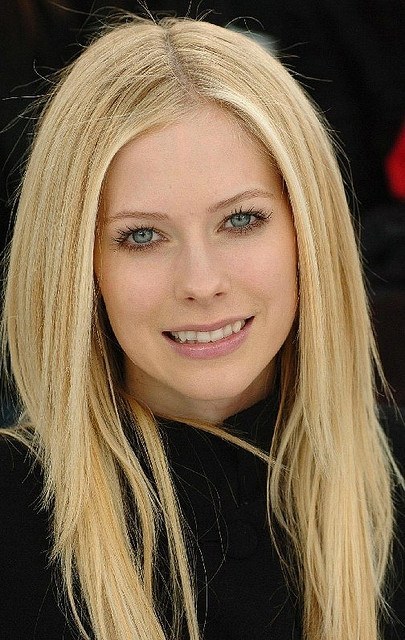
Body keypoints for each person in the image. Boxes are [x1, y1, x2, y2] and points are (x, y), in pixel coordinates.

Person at [0, 15, 404, 640]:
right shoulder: (16, 516)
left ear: (308, 230)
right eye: (141, 236)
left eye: (241, 220)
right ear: (78, 265)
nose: (201, 281)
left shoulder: (393, 479)